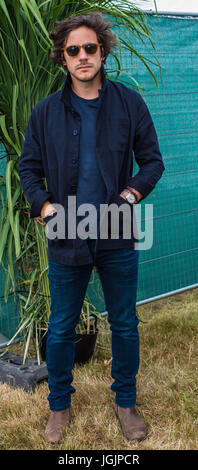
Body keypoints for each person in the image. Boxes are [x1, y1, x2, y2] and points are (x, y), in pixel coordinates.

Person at [18, 12, 165, 444]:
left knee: (124, 323)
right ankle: (59, 407)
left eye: (90, 48)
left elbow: (152, 161)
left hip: (117, 230)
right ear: (62, 58)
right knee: (62, 325)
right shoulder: (45, 112)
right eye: (73, 50)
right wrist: (45, 207)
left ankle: (125, 402)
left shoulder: (129, 103)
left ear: (102, 51)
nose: (83, 56)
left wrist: (130, 196)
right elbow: (29, 168)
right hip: (66, 232)